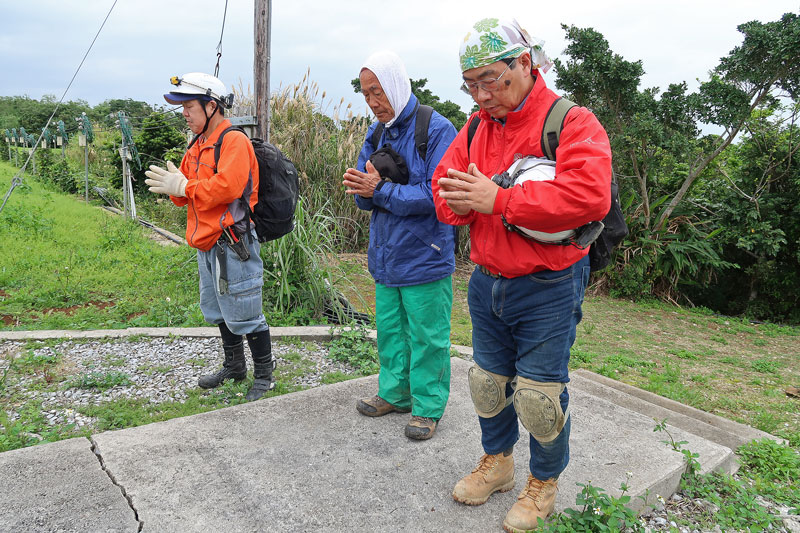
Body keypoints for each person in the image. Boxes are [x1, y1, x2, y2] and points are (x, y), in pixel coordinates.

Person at [432, 18, 612, 532]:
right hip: (487, 280)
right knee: (487, 382)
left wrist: (500, 199)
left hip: (549, 286)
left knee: (539, 394)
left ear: (525, 64)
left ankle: (544, 483)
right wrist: (461, 202)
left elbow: (589, 196)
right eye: (471, 84)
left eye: (492, 79)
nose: (482, 94)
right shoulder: (473, 127)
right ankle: (499, 464)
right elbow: (444, 191)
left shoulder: (572, 122)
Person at [343, 51, 458, 440]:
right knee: (391, 330)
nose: (373, 101)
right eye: (366, 95)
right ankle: (395, 393)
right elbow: (365, 196)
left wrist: (381, 190)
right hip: (386, 256)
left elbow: (438, 195)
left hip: (426, 255)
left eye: (377, 91)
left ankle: (427, 406)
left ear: (395, 83)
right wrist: (364, 190)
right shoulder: (376, 133)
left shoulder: (437, 129)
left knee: (427, 336)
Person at [144, 72, 275, 402]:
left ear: (211, 106)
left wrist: (185, 186)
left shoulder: (234, 142)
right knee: (218, 308)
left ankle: (265, 375)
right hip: (206, 243)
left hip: (234, 244)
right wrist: (176, 185)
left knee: (246, 310)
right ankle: (235, 366)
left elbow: (228, 187)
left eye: (189, 106)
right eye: (183, 107)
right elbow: (184, 196)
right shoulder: (197, 145)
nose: (184, 114)